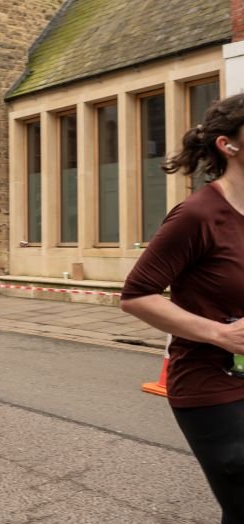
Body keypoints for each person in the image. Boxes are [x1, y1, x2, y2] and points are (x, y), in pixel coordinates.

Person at [120, 93, 244, 523]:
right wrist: (220, 334)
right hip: (211, 383)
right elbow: (136, 295)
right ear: (229, 145)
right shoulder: (197, 214)